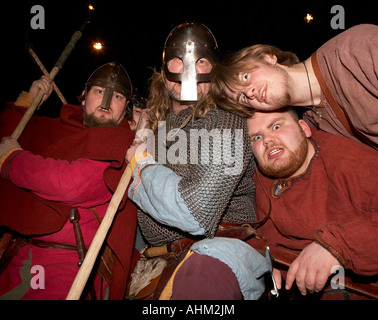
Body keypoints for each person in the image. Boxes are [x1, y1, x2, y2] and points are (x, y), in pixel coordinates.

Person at [125, 21, 269, 300]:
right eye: (178, 61)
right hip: (157, 261)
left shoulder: (225, 121)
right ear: (164, 73)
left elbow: (197, 212)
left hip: (216, 253)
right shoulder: (160, 125)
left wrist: (141, 167)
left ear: (214, 68)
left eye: (200, 60)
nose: (189, 70)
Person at [0, 62, 138, 300]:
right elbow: (9, 141)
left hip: (66, 267)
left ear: (126, 107)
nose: (106, 102)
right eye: (99, 91)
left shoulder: (123, 144)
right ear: (83, 97)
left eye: (116, 96)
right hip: (14, 256)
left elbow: (72, 184)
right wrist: (27, 104)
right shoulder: (59, 128)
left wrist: (14, 160)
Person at [245, 107, 378, 299]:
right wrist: (259, 258)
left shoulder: (353, 164)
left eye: (276, 126)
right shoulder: (256, 181)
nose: (267, 140)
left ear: (304, 128)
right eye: (256, 137)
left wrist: (336, 246)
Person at [212, 24, 378, 150]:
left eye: (245, 76)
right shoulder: (313, 124)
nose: (249, 92)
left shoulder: (354, 50)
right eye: (242, 98)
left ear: (267, 57)